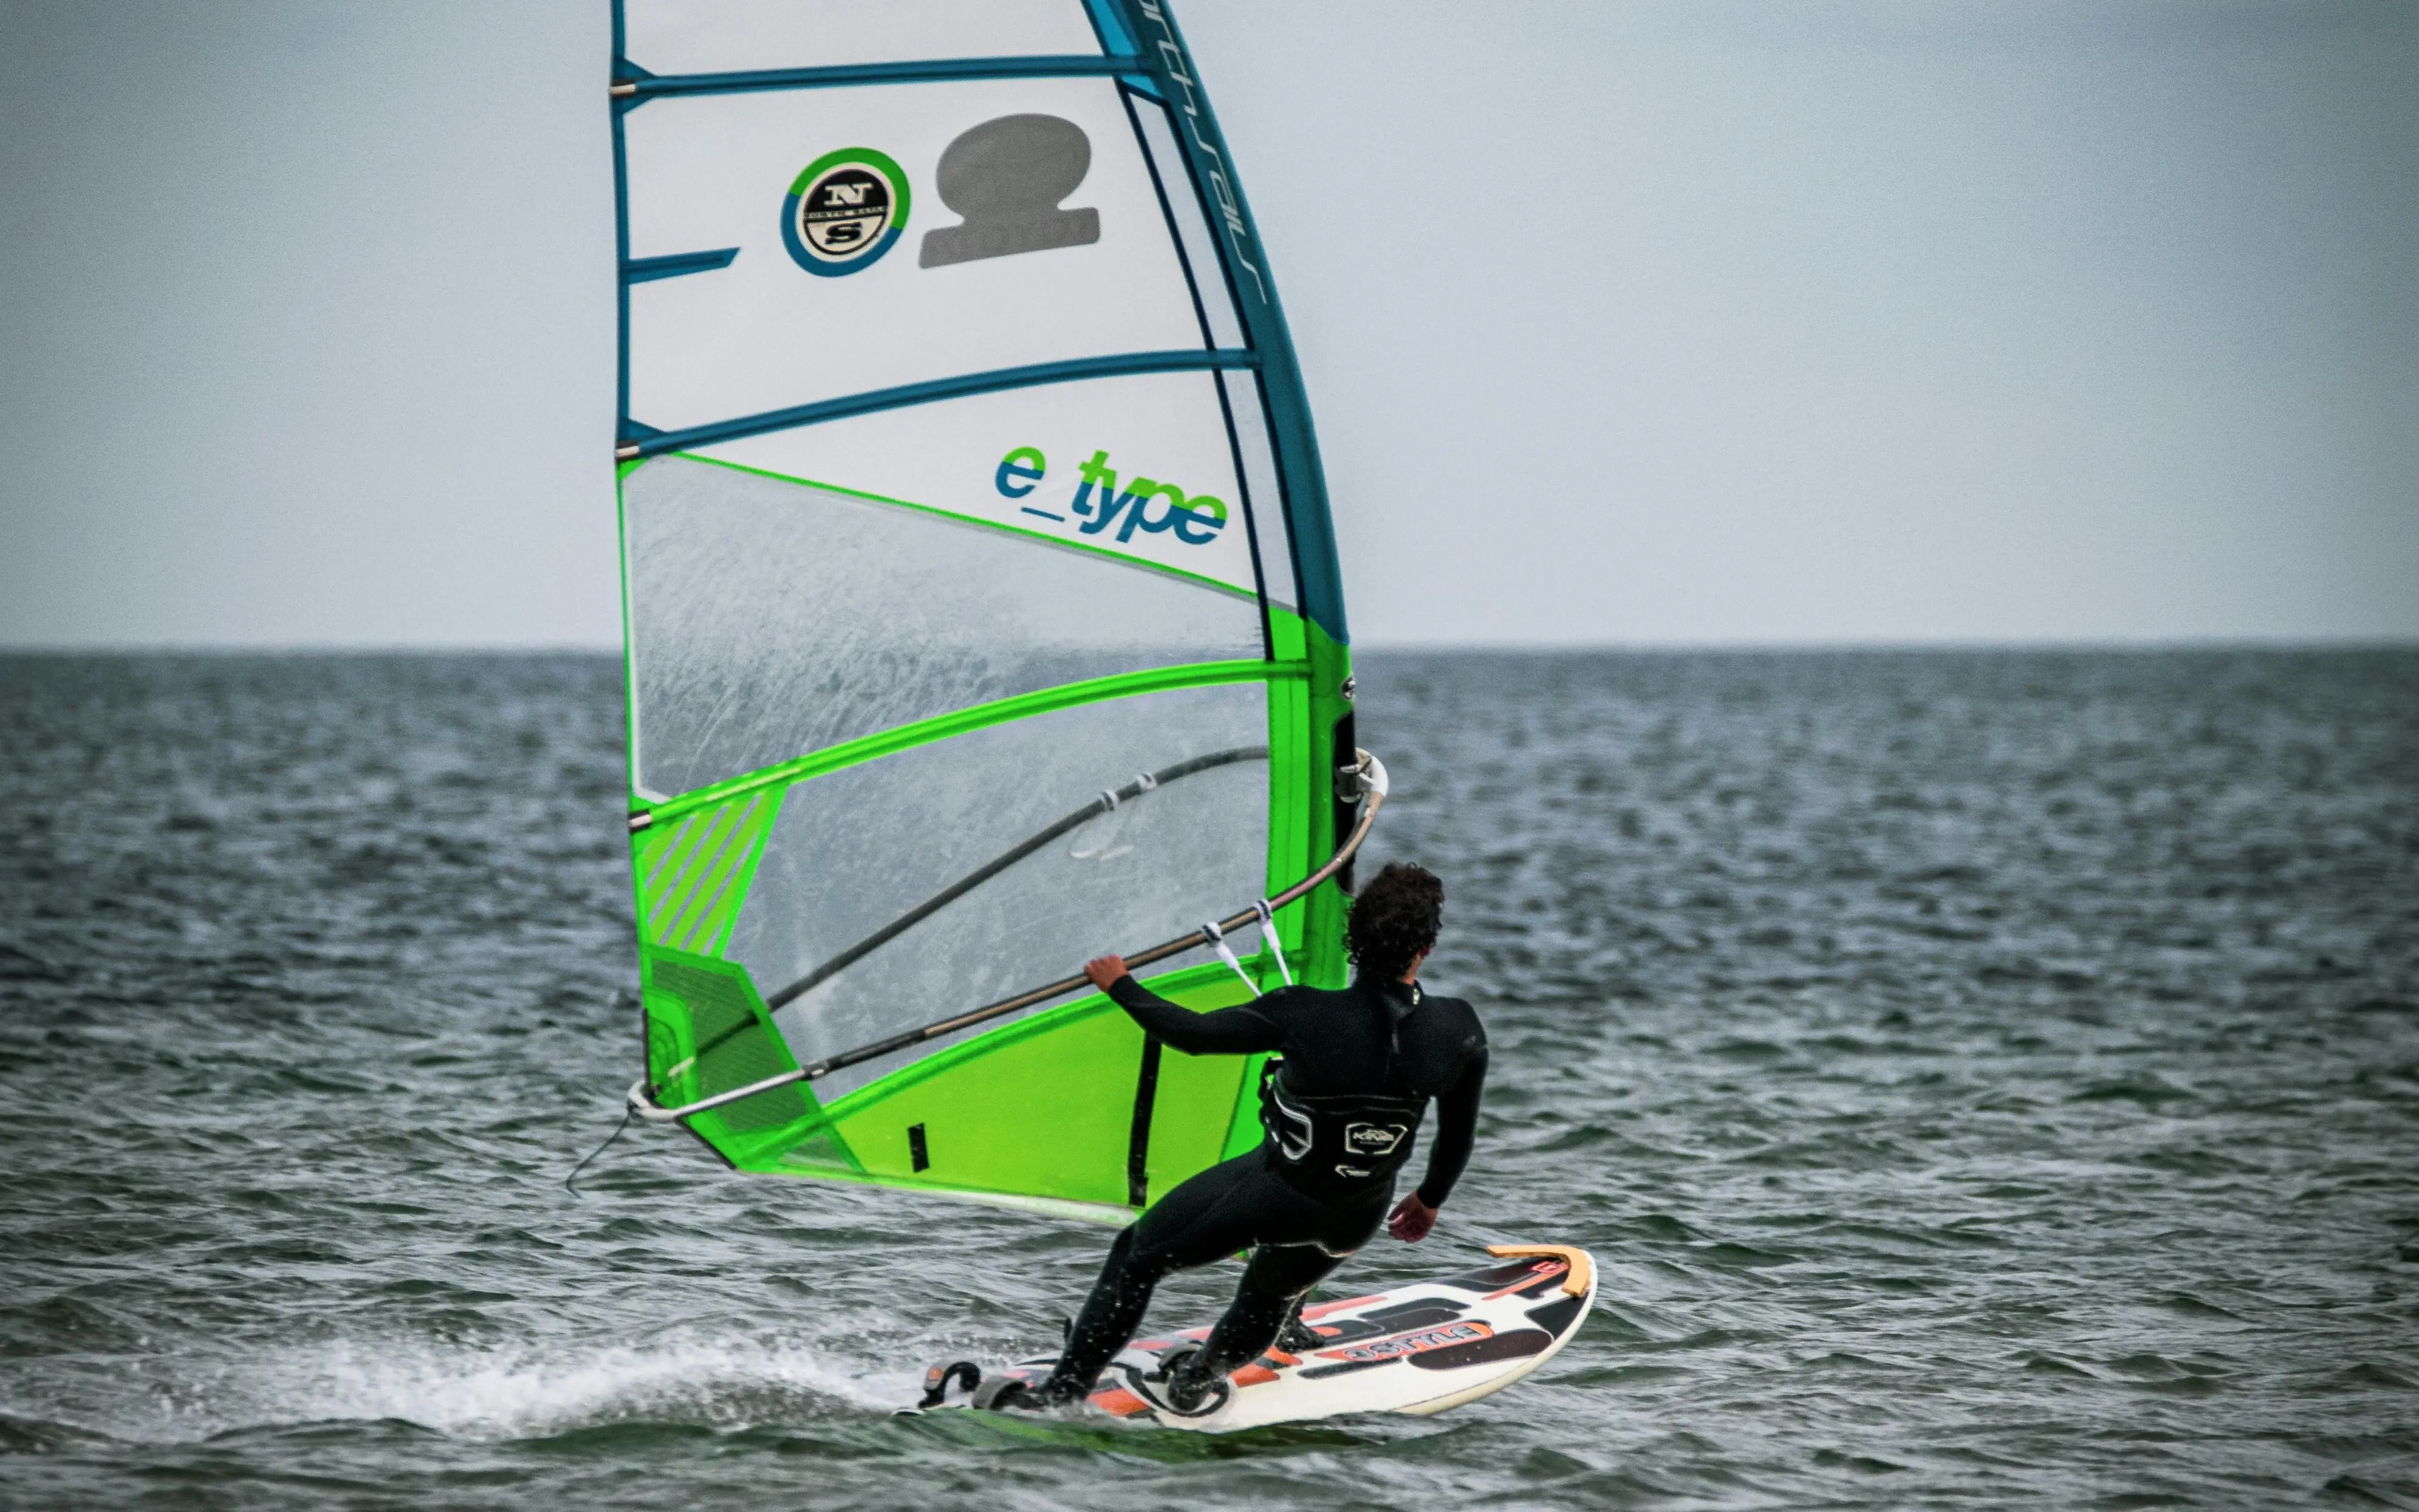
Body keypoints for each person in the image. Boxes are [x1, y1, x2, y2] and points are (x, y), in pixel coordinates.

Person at [979, 861, 1488, 1415]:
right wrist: (1430, 1198)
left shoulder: (1303, 1012)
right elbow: (1457, 1136)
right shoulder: (1458, 1029)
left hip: (1277, 1192)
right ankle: (1197, 1380)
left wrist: (1120, 984)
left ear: (1355, 939)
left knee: (1137, 1257)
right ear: (1427, 949)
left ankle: (1060, 1395)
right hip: (1356, 1215)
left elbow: (1195, 1036)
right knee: (1269, 1296)